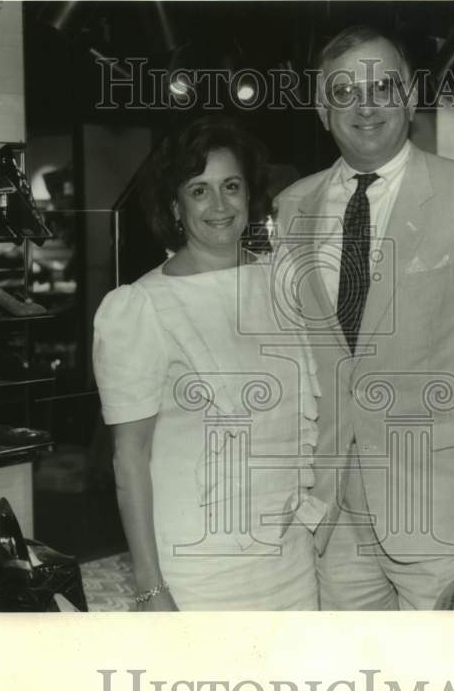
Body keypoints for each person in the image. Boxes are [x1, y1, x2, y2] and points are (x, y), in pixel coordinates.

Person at [273, 26, 454, 610]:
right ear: (323, 111)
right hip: (333, 516)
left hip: (440, 508)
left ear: (411, 96)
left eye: (381, 86)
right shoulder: (292, 206)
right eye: (343, 92)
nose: (364, 105)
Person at [93, 116, 321, 610]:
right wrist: (151, 587)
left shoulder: (282, 285)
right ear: (174, 207)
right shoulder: (141, 306)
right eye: (199, 190)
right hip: (199, 571)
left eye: (231, 186)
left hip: (292, 563)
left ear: (249, 194)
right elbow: (128, 459)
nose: (219, 205)